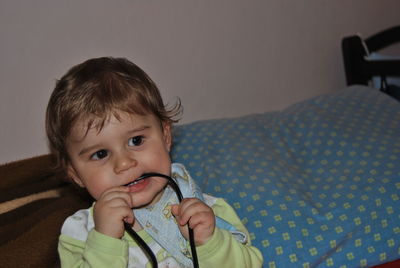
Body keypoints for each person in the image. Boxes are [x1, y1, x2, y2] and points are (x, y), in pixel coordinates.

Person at [46, 57, 263, 267]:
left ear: (166, 137)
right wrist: (105, 242)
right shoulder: (80, 235)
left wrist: (210, 243)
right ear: (75, 174)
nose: (124, 163)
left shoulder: (207, 211)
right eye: (101, 154)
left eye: (136, 140)